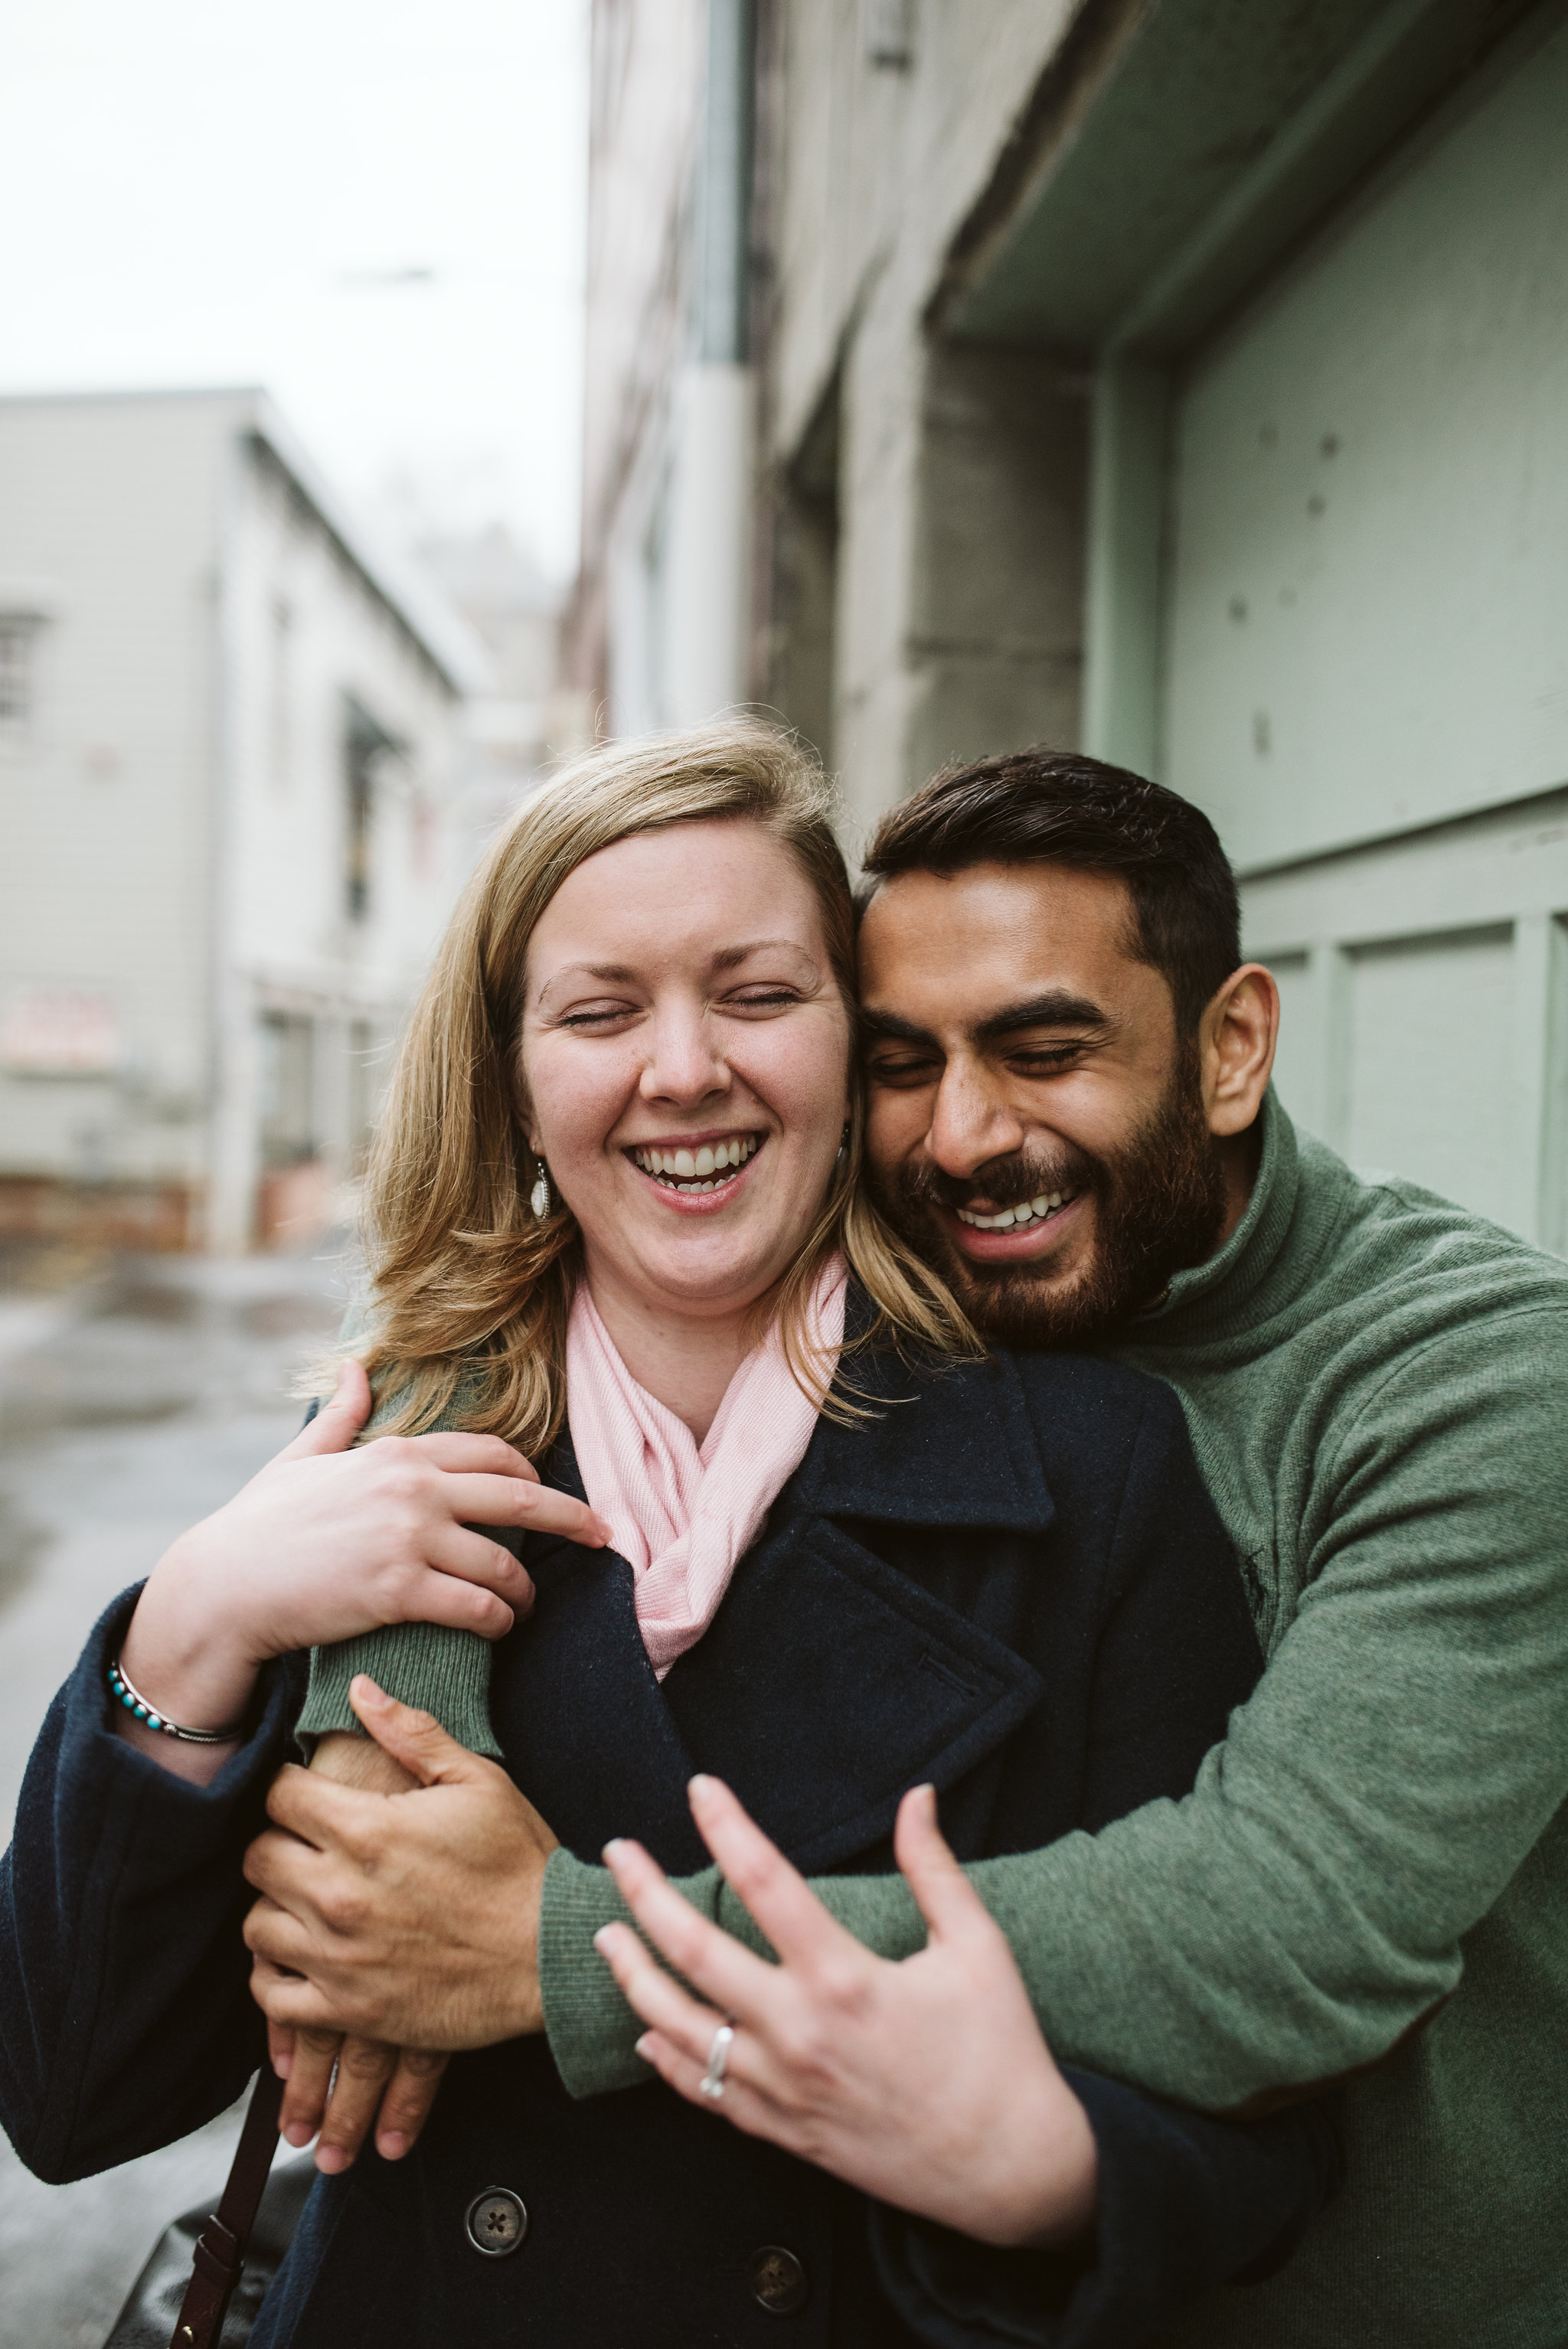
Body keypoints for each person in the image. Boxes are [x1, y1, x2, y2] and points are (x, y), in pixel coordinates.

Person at [0, 726, 1338, 2349]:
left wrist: (1023, 2169)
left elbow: (1252, 2139)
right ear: (513, 1072)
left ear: (851, 1048)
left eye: (758, 994)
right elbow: (71, 2100)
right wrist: (190, 1625)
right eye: (601, 1009)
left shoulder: (1094, 1473)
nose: (685, 1067)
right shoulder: (378, 1464)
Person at [252, 750, 1568, 2349]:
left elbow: (1281, 1920)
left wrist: (558, 1948)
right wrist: (369, 1682)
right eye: (902, 1059)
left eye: (1044, 1048)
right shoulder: (941, 1322)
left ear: (1230, 1050)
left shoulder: (1470, 1374)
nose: (960, 1136)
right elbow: (508, 1291)